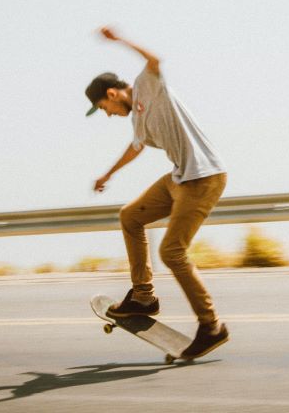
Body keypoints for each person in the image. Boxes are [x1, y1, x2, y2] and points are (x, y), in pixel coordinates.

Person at [85, 26, 229, 360]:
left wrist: (119, 39)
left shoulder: (148, 86)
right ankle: (143, 296)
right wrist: (108, 173)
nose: (107, 114)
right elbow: (135, 148)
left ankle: (211, 326)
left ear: (111, 94)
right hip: (180, 178)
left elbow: (155, 59)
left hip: (204, 178)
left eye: (103, 108)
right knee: (130, 216)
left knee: (172, 252)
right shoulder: (136, 121)